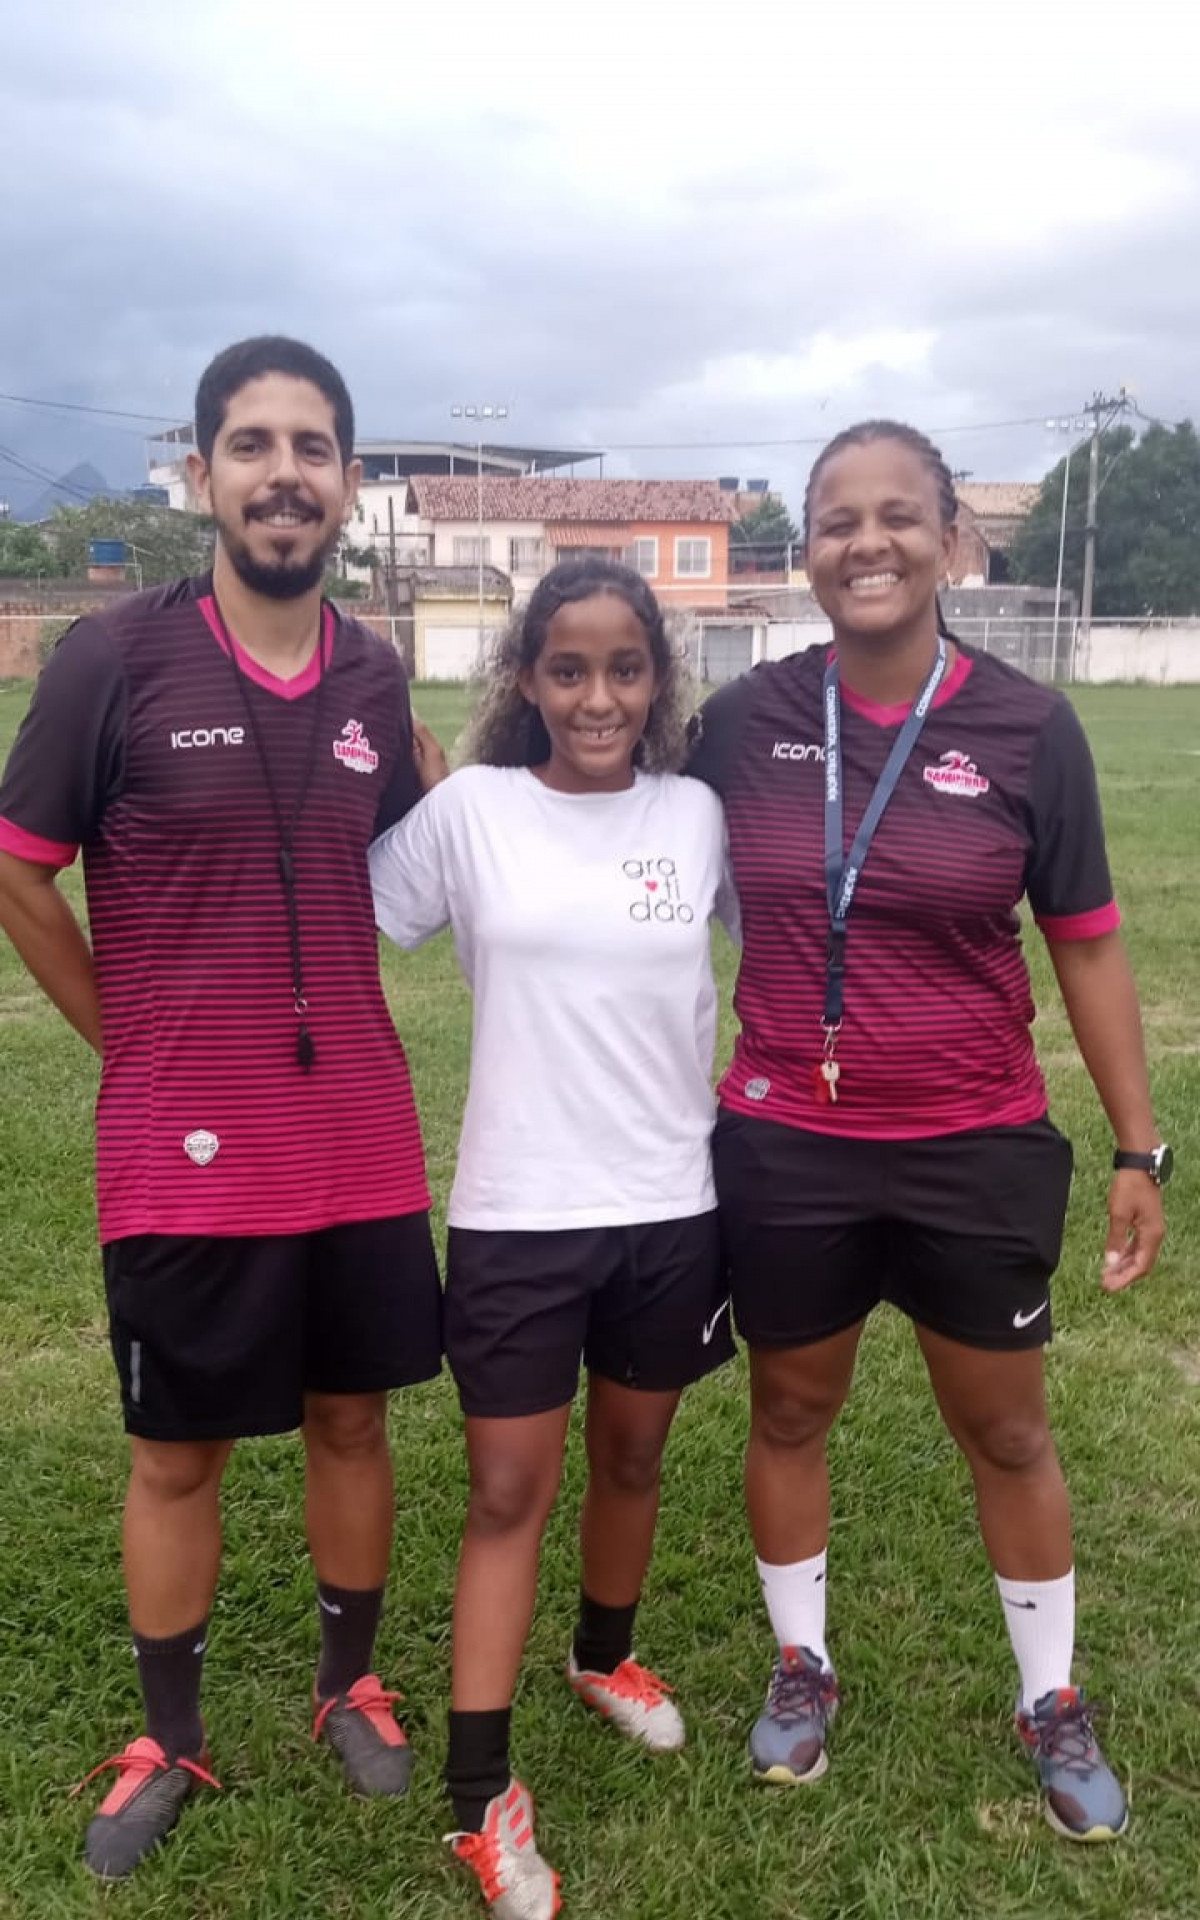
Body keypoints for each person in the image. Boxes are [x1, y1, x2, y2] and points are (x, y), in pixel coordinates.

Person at [687, 420, 1169, 1843]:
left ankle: (1051, 1697)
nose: (868, 542)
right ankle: (801, 1663)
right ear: (807, 551)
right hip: (786, 1138)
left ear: (952, 540)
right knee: (788, 1408)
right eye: (839, 519)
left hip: (972, 1139)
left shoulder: (1029, 727)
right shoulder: (742, 720)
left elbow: (1084, 944)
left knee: (1008, 1430)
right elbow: (596, 801)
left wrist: (1140, 1149)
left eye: (900, 516)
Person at [0, 337, 443, 1879]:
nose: (282, 473)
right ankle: (169, 1730)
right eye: (249, 445)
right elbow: (20, 866)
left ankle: (350, 1684)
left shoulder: (378, 676)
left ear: (349, 481)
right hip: (184, 1151)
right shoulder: (113, 658)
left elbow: (424, 847)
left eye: (312, 446)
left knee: (352, 1416)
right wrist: (132, 1038)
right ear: (202, 474)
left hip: (361, 1139)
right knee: (177, 1450)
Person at [370, 556, 737, 1919]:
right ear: (526, 679)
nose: (598, 697)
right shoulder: (469, 812)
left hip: (672, 1206)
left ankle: (605, 1656)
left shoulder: (694, 814)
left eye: (624, 669)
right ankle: (482, 1803)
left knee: (635, 1456)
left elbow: (809, 937)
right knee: (510, 1491)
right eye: (569, 669)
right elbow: (351, 928)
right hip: (518, 1215)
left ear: (659, 682)